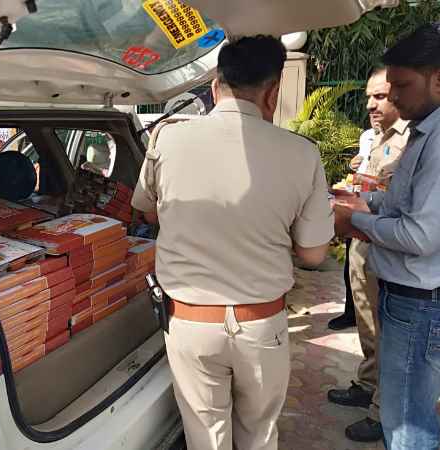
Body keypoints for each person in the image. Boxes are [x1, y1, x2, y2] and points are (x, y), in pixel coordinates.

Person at [131, 36, 334, 450]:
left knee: (205, 437)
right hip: (262, 325)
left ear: (214, 86)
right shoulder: (302, 154)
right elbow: (314, 255)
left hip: (190, 322)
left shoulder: (167, 138)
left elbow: (147, 214)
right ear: (273, 92)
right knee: (259, 435)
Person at [334, 23, 440, 450]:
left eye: (401, 86)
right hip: (407, 296)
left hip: (420, 301)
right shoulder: (424, 131)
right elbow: (400, 201)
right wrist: (362, 203)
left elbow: (420, 235)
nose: (392, 97)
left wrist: (355, 222)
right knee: (402, 410)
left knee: (407, 425)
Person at [328, 66, 410, 442]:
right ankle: (367, 383)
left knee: (387, 329)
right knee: (365, 317)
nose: (370, 105)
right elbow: (374, 187)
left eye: (379, 96)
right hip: (363, 240)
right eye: (368, 98)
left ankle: (382, 410)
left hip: (391, 248)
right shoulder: (379, 136)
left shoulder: (414, 139)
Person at [328, 128, 375, 332]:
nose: (373, 113)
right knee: (351, 264)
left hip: (380, 212)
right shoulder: (367, 136)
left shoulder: (405, 136)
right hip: (357, 204)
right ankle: (351, 313)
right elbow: (359, 167)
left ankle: (373, 317)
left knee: (373, 270)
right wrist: (352, 165)